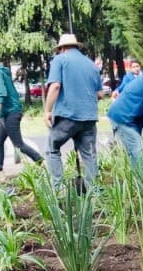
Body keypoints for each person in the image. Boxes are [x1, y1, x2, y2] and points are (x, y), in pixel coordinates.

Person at [42, 33, 103, 189]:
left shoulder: (60, 60)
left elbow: (55, 86)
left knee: (52, 148)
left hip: (68, 115)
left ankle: (59, 189)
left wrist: (47, 110)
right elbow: (99, 94)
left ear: (61, 48)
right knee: (89, 155)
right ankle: (93, 192)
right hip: (89, 117)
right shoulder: (91, 65)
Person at [0, 52, 43, 171]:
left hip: (10, 113)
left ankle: (40, 160)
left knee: (18, 144)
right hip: (7, 113)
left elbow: (1, 94)